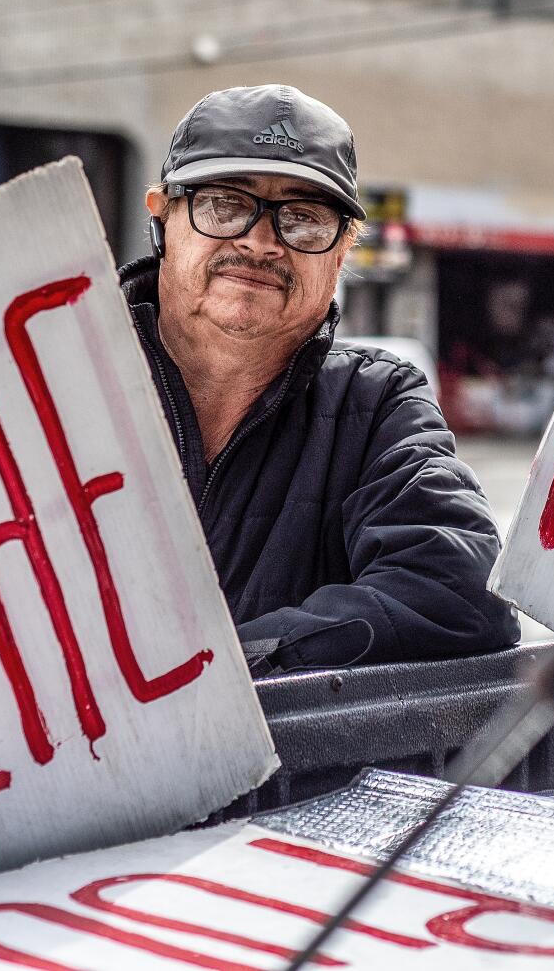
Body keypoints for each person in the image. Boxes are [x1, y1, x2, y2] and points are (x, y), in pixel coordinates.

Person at [120, 84, 520, 674]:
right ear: (164, 219)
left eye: (303, 220)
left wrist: (218, 676)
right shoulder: (55, 379)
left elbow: (460, 593)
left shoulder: (376, 405)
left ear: (341, 255)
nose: (259, 242)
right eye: (224, 205)